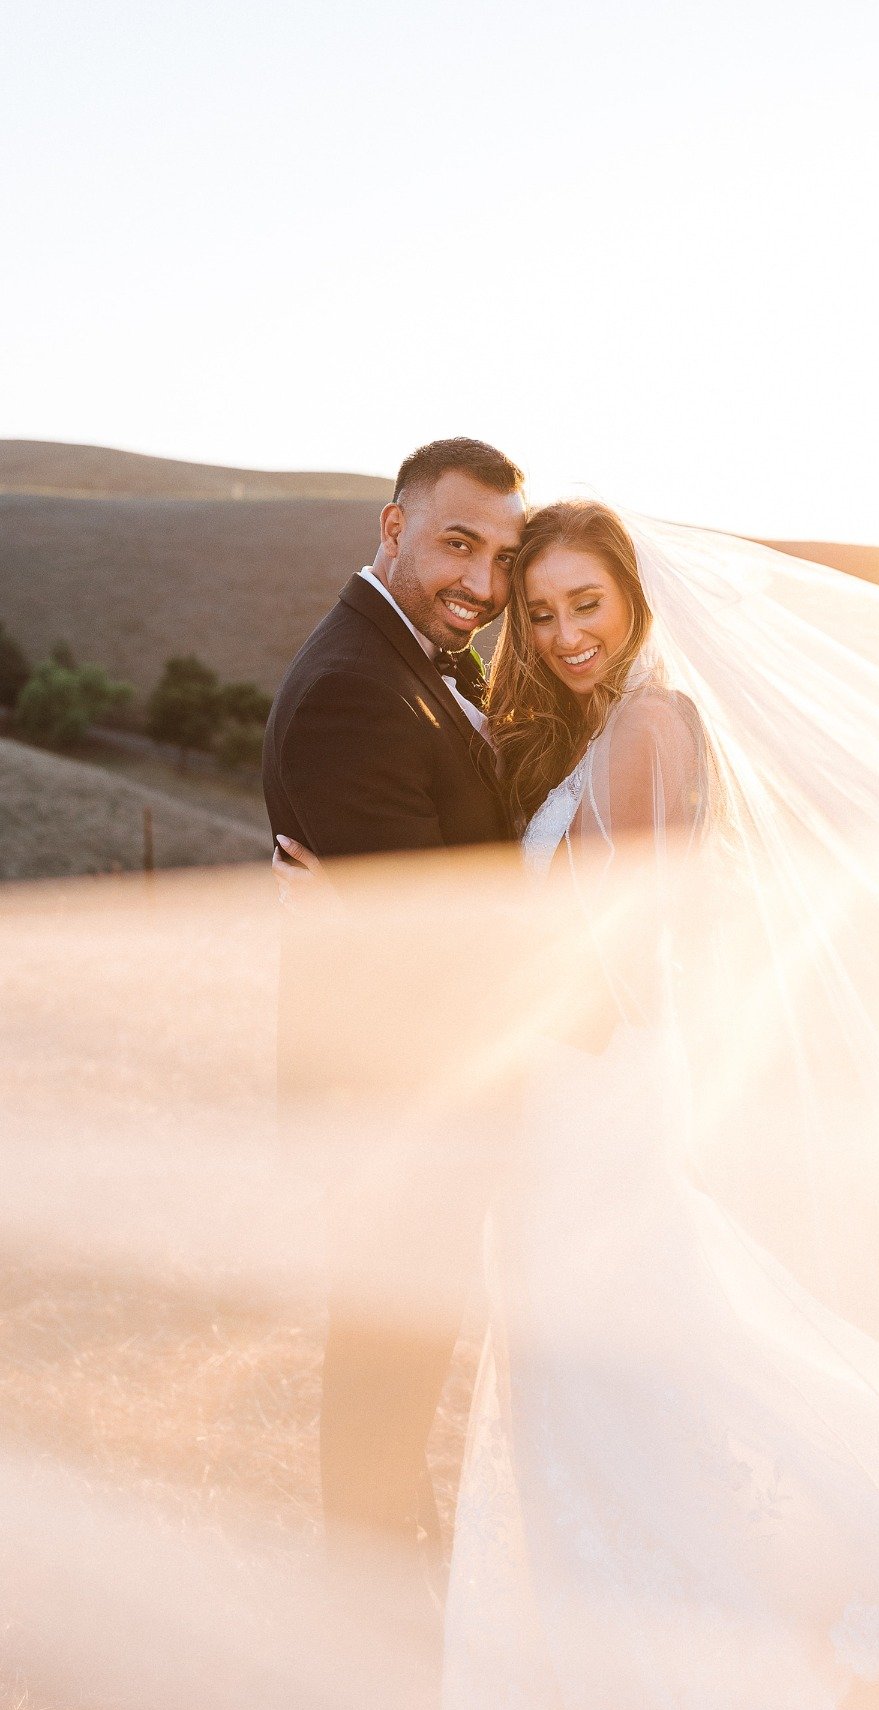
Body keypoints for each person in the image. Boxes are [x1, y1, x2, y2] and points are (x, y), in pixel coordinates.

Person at [275, 500, 879, 1710]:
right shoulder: (588, 729)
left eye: (582, 605)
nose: (560, 632)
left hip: (594, 1098)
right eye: (540, 615)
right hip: (570, 1105)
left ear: (637, 602)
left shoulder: (655, 725)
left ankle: (669, 1636)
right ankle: (624, 1614)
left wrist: (399, 934)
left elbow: (626, 955)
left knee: (622, 1362)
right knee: (630, 1364)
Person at [261, 438, 526, 1597]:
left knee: (400, 1356)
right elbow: (436, 955)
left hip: (423, 1092)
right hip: (393, 1101)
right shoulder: (356, 688)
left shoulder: (424, 665)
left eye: (502, 555)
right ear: (393, 528)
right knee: (382, 1361)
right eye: (456, 542)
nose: (478, 580)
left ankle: (387, 1558)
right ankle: (365, 1605)